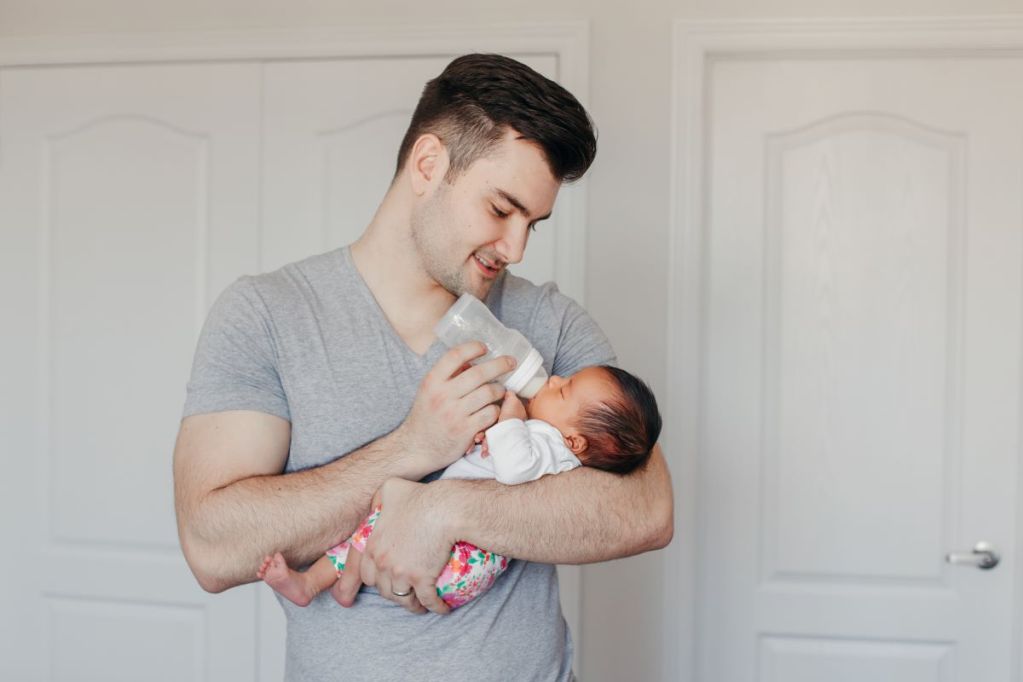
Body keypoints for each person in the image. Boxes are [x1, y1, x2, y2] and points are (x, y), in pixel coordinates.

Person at [173, 53, 673, 680]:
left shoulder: (549, 321)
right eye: (500, 209)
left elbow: (647, 509)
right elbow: (211, 547)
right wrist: (411, 448)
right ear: (429, 164)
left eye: (532, 225)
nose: (515, 248)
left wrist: (443, 510)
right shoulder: (267, 315)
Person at [257, 364, 662, 610]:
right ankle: (332, 582)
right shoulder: (553, 446)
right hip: (460, 565)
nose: (554, 378)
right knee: (385, 508)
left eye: (565, 389)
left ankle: (313, 583)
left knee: (382, 510)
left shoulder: (551, 444)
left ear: (576, 442)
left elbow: (515, 467)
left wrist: (510, 417)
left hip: (463, 561)